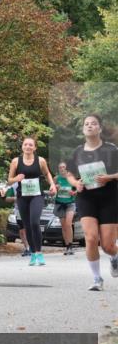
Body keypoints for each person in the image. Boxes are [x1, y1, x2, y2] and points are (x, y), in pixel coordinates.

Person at [62, 114, 118, 291]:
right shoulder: (78, 151)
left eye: (94, 124)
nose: (90, 126)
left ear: (100, 128)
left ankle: (114, 257)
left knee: (108, 246)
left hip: (109, 198)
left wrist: (108, 177)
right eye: (86, 124)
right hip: (86, 198)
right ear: (83, 129)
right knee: (91, 238)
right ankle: (96, 279)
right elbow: (69, 174)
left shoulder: (111, 150)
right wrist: (75, 183)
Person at [7, 137, 57, 267]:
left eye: (31, 145)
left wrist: (52, 184)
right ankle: (33, 253)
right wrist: (16, 178)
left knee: (35, 222)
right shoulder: (15, 161)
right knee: (27, 225)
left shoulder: (40, 161)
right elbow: (9, 180)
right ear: (22, 147)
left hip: (36, 196)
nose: (28, 146)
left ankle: (39, 252)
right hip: (22, 197)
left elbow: (47, 174)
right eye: (25, 144)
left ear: (35, 148)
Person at [0, 181, 30, 257]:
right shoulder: (14, 185)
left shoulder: (30, 181)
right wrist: (17, 198)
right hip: (19, 209)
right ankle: (27, 248)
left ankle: (32, 247)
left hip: (30, 208)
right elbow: (7, 198)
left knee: (29, 229)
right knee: (22, 231)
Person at [54, 162, 78, 256]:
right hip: (59, 204)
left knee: (68, 224)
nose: (62, 169)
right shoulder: (56, 178)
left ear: (67, 168)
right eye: (60, 167)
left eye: (64, 167)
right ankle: (67, 246)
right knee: (64, 226)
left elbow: (78, 189)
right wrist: (55, 188)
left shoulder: (71, 178)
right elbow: (51, 192)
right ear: (58, 169)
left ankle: (71, 246)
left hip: (70, 203)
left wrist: (74, 192)